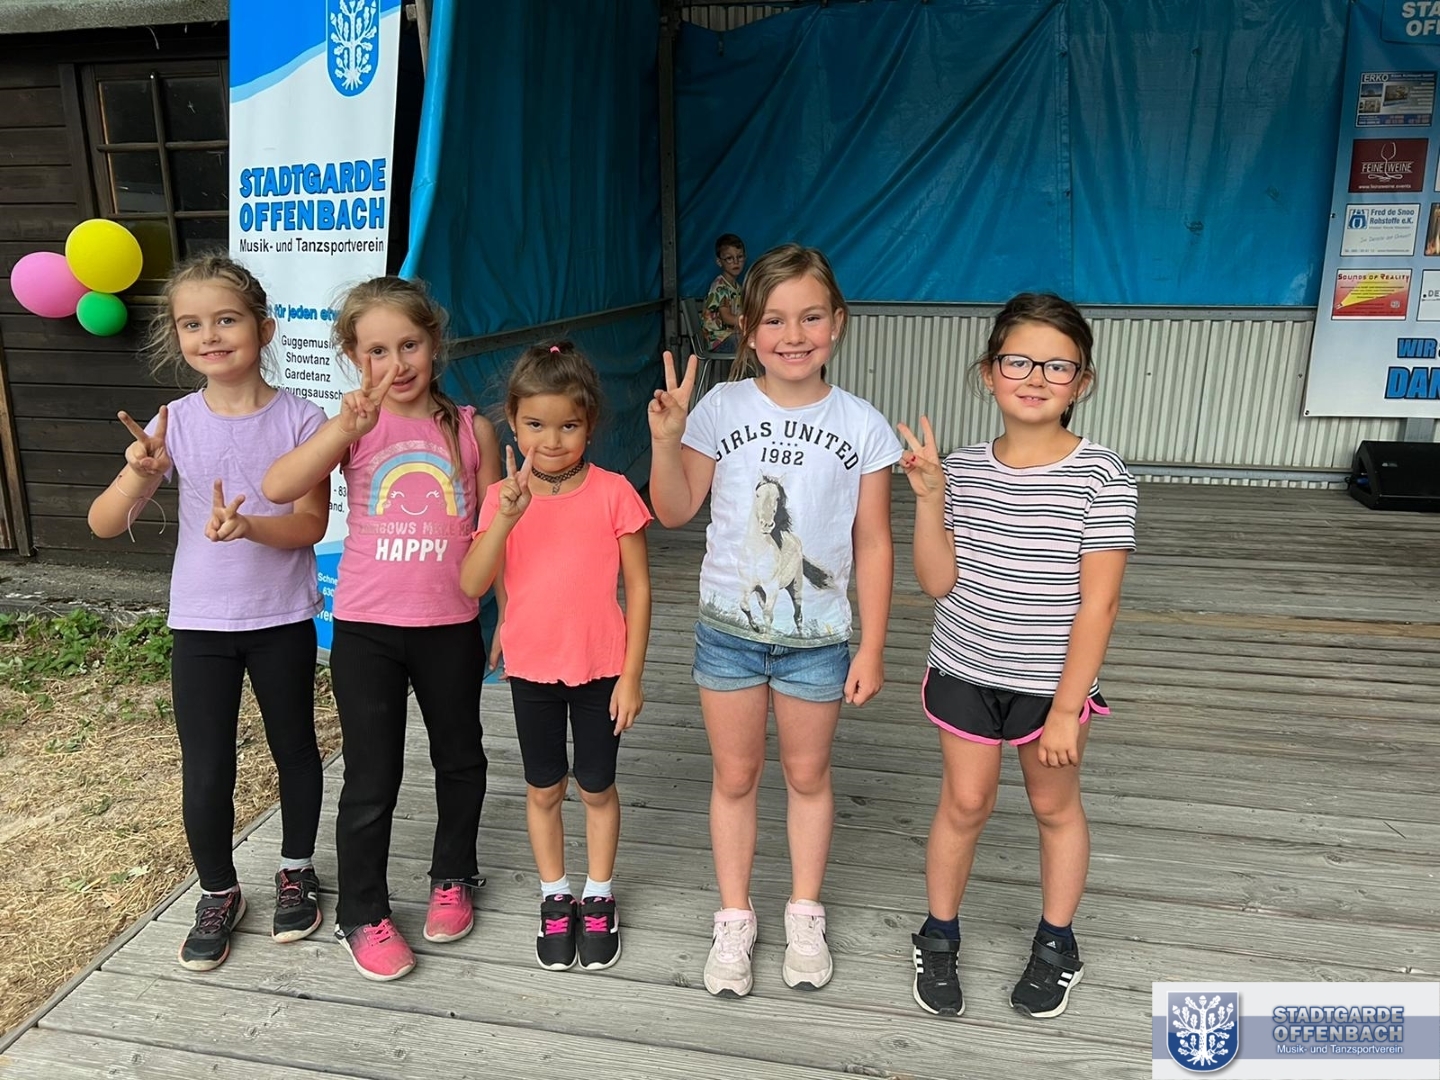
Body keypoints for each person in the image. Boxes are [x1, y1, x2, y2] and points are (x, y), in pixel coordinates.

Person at [649, 243, 901, 997]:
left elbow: (874, 541)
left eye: (811, 317)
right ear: (748, 330)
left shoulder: (863, 426)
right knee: (734, 776)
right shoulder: (720, 409)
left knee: (807, 775)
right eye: (775, 320)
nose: (794, 335)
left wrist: (873, 645)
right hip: (727, 636)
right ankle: (734, 916)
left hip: (818, 642)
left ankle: (804, 911)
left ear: (838, 322)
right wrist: (665, 442)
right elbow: (674, 510)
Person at [898, 292, 1137, 1020]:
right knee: (964, 802)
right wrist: (930, 499)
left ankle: (1057, 941)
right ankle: (939, 933)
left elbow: (1099, 604)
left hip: (1050, 687)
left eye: (1058, 366)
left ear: (1082, 382)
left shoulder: (1102, 475)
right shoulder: (962, 470)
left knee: (1053, 806)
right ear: (988, 372)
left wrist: (1067, 709)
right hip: (964, 668)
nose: (1036, 377)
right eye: (1018, 361)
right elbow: (936, 581)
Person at [87, 254, 329, 972]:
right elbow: (104, 524)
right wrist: (137, 470)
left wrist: (250, 525)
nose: (210, 335)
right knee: (207, 763)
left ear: (264, 327)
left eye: (226, 319)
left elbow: (311, 524)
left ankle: (296, 870)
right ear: (177, 337)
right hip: (199, 624)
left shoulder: (304, 418)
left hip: (281, 615)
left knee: (295, 749)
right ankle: (219, 891)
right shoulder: (172, 424)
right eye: (192, 325)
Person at [263, 276, 500, 982]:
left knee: (461, 757)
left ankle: (453, 873)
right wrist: (344, 428)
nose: (396, 364)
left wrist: (510, 615)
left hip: (451, 624)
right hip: (367, 629)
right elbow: (278, 487)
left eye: (409, 345)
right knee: (372, 775)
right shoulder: (348, 427)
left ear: (434, 343)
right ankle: (362, 912)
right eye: (376, 351)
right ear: (352, 357)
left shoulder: (471, 428)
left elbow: (499, 531)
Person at [460, 341, 652, 973]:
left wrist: (632, 675)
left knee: (596, 786)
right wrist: (504, 521)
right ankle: (554, 894)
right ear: (513, 425)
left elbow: (639, 589)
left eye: (568, 425)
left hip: (601, 667)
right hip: (531, 668)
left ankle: (598, 894)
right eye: (536, 425)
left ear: (589, 424)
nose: (551, 440)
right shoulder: (502, 496)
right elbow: (476, 582)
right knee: (544, 787)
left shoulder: (614, 493)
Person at [700, 233, 746, 353]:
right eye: (729, 258)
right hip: (719, 340)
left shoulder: (737, 287)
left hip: (730, 336)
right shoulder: (720, 286)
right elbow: (726, 318)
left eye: (740, 257)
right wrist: (747, 322)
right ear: (719, 262)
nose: (736, 262)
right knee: (754, 344)